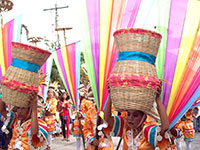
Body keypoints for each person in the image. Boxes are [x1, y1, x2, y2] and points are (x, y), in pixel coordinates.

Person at [104, 83, 170, 149]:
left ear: (144, 118)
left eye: (135, 115)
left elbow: (165, 126)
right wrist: (110, 94)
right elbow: (107, 118)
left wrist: (158, 99)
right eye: (129, 114)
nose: (130, 118)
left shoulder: (148, 132)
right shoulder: (126, 128)